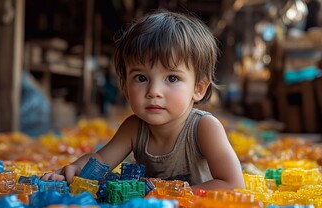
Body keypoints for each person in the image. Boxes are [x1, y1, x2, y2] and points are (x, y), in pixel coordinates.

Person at [42, 10, 245, 190]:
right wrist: (74, 170)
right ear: (125, 86)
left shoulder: (204, 128)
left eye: (172, 78)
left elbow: (233, 183)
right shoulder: (134, 128)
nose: (154, 91)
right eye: (141, 78)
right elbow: (101, 160)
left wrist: (172, 196)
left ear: (198, 89)